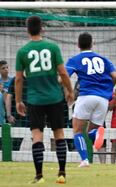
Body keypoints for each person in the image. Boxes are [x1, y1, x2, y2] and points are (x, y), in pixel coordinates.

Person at [15, 16, 74, 184]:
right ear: (42, 28)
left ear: (27, 30)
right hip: (55, 98)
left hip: (35, 100)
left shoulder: (22, 52)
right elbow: (63, 73)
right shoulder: (53, 47)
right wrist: (70, 91)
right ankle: (62, 173)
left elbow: (19, 79)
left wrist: (19, 101)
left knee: (37, 136)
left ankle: (39, 176)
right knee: (59, 134)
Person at [66, 32, 116, 167]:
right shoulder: (103, 59)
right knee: (90, 131)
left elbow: (63, 77)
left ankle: (84, 160)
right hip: (103, 99)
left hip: (86, 96)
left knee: (77, 131)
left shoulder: (75, 60)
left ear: (78, 45)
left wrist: (69, 91)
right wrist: (108, 89)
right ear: (92, 43)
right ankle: (96, 134)